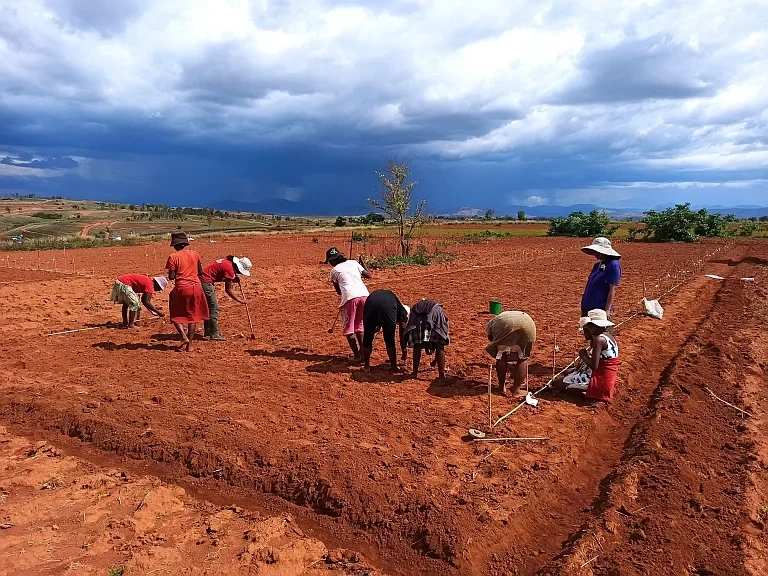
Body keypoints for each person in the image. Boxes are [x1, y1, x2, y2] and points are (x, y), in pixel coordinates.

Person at [325, 247, 372, 360]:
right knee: (359, 326)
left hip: (350, 298)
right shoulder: (353, 263)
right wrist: (362, 262)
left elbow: (339, 292)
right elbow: (369, 275)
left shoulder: (334, 271)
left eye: (330, 261)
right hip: (365, 296)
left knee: (349, 329)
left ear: (333, 260)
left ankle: (356, 356)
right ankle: (364, 354)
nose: (330, 263)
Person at [563, 309, 620, 402]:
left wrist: (583, 355)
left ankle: (585, 390)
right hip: (604, 377)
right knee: (567, 372)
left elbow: (594, 366)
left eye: (588, 326)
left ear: (595, 325)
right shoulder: (607, 336)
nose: (587, 328)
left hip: (599, 379)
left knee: (558, 384)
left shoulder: (599, 340)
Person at [165, 231, 209, 351]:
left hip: (182, 287)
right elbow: (200, 272)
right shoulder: (195, 254)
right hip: (197, 287)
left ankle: (184, 337)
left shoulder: (173, 257)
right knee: (193, 316)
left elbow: (171, 277)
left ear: (175, 245)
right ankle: (190, 346)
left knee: (176, 313)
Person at [485, 311, 536, 397]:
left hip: (505, 325)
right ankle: (517, 390)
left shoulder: (493, 324)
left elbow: (492, 339)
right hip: (527, 324)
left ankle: (501, 387)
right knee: (522, 357)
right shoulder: (498, 319)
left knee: (501, 354)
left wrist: (501, 349)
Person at [201, 256, 252, 341]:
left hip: (204, 280)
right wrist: (240, 300)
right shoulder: (230, 269)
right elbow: (228, 290)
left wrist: (231, 280)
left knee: (209, 308)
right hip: (205, 282)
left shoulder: (228, 263)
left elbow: (217, 275)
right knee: (214, 308)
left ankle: (209, 331)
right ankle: (213, 334)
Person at [361, 289, 409, 374]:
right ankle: (394, 367)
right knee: (389, 340)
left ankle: (366, 366)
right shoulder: (402, 312)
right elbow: (403, 332)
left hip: (370, 304)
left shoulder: (392, 299)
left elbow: (377, 325)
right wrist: (404, 349)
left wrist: (372, 332)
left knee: (367, 337)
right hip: (386, 309)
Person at [401, 299, 449, 380]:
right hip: (434, 313)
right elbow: (438, 342)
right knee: (439, 344)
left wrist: (404, 349)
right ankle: (441, 376)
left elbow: (405, 332)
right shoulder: (440, 313)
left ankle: (414, 373)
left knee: (418, 345)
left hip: (418, 318)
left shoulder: (414, 309)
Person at [581, 237, 622, 318]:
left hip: (599, 311)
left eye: (598, 251)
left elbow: (612, 289)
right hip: (587, 309)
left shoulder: (613, 265)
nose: (595, 253)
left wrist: (607, 309)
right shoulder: (597, 266)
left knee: (601, 330)